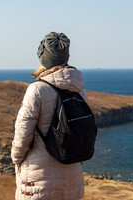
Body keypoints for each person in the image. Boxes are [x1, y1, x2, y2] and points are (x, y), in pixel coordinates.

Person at [11, 32, 88, 200]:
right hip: (72, 176)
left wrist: (17, 159)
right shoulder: (79, 90)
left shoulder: (37, 89)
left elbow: (23, 133)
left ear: (43, 59)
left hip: (39, 179)